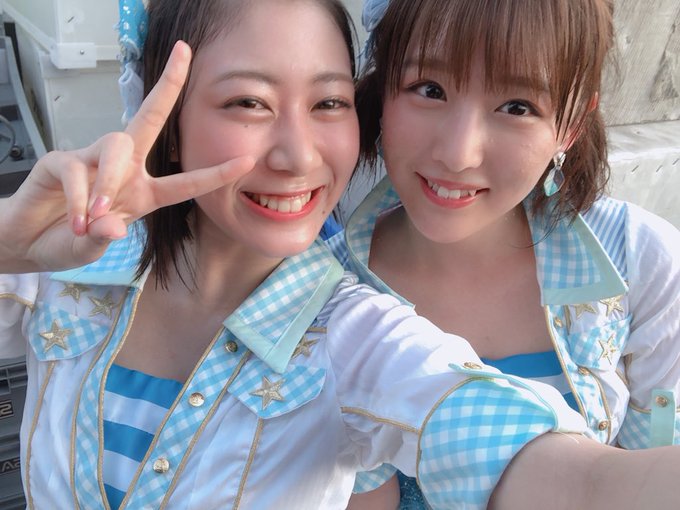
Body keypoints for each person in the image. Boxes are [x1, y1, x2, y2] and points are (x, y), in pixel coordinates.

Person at [1, 1, 679, 509]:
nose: (298, 156)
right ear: (167, 120)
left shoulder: (353, 333)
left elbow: (570, 474)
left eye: (328, 101)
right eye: (248, 102)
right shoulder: (60, 274)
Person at [343, 0, 680, 508]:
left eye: (517, 107)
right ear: (382, 88)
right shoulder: (326, 299)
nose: (458, 154)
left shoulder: (638, 259)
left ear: (570, 125)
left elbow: (650, 459)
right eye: (429, 89)